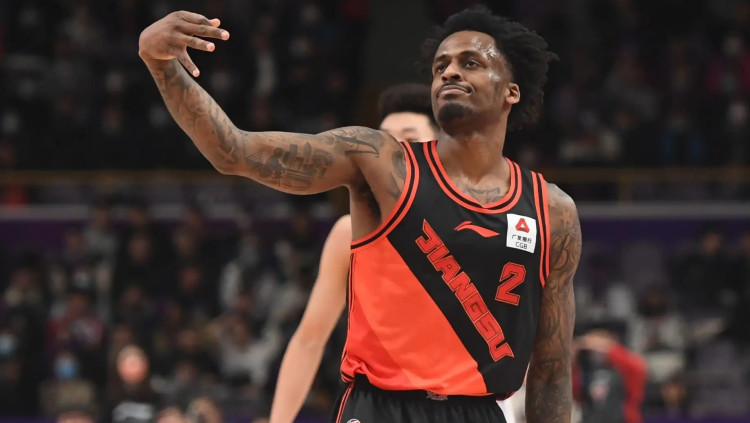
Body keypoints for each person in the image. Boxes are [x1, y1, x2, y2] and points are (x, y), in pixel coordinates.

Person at [138, 5, 581, 423]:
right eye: (440, 65)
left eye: (470, 62)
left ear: (511, 91)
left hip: (478, 411)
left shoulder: (552, 212)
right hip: (378, 406)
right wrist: (160, 63)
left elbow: (551, 371)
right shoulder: (381, 162)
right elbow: (234, 150)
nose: (449, 71)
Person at [267, 83, 438, 423]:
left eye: (410, 140)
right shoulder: (349, 232)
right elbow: (309, 340)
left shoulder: (474, 227)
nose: (394, 151)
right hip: (375, 404)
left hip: (455, 401)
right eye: (385, 140)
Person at [572, 325, 647, 423]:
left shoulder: (625, 368)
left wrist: (601, 345)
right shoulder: (585, 370)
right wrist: (575, 354)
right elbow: (574, 393)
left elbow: (637, 367)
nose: (596, 351)